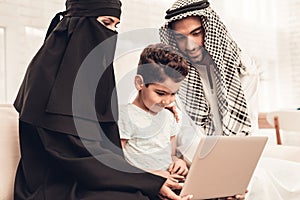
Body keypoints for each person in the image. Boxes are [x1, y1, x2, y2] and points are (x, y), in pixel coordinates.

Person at [13, 0, 192, 199]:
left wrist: (148, 177)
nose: (110, 35)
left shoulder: (95, 76)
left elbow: (108, 147)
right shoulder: (44, 76)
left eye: (116, 26)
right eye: (106, 23)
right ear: (78, 22)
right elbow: (72, 155)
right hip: (55, 184)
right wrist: (146, 179)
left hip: (95, 177)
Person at [160, 0, 259, 136]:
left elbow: (249, 120)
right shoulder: (174, 75)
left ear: (209, 30)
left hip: (239, 147)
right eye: (181, 38)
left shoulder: (243, 68)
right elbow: (183, 131)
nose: (189, 46)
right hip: (193, 152)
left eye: (196, 34)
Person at [118, 43, 189, 179]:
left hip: (169, 181)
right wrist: (152, 177)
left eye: (173, 94)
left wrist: (179, 162)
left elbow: (171, 155)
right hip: (142, 185)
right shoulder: (125, 116)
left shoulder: (169, 117)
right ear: (140, 83)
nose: (167, 101)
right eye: (161, 93)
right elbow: (117, 162)